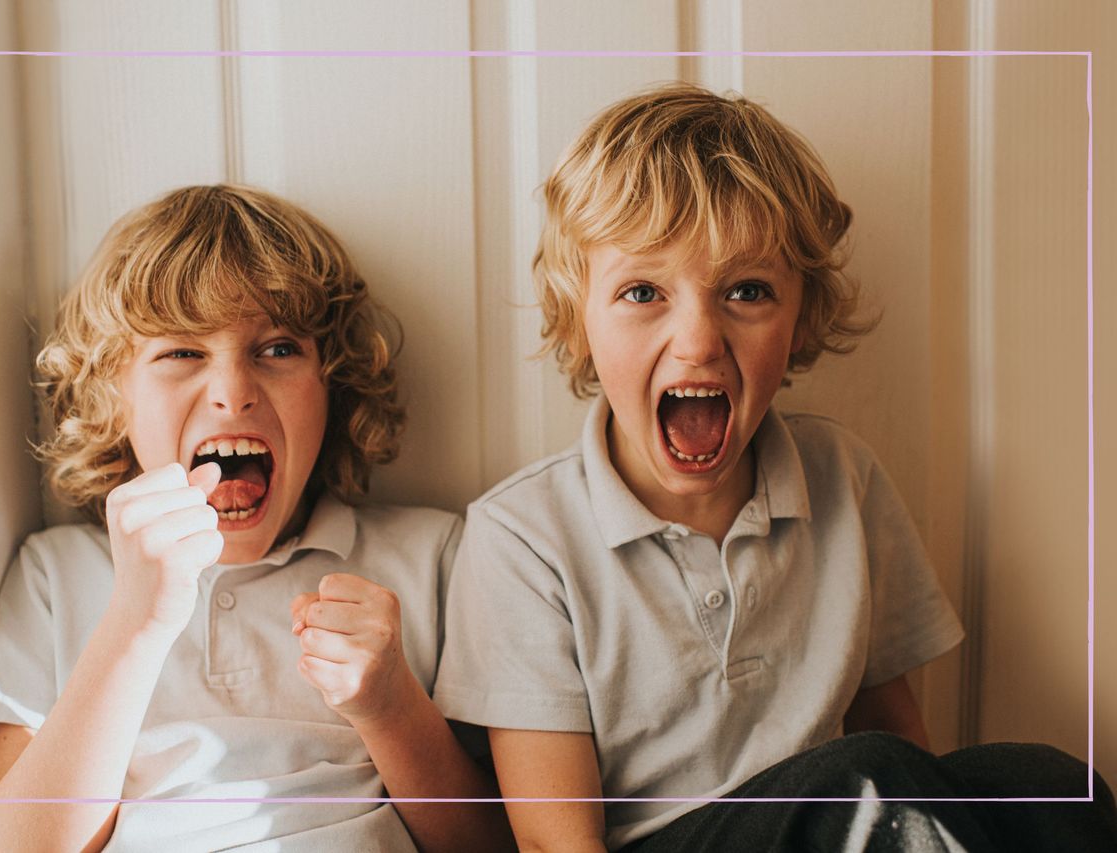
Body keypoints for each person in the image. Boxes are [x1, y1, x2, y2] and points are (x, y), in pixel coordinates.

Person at [432, 83, 1117, 851]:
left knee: (1051, 783)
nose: (697, 340)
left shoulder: (842, 477)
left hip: (852, 810)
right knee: (862, 775)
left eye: (747, 291)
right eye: (643, 291)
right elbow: (556, 842)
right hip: (677, 838)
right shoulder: (522, 536)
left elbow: (903, 741)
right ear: (579, 318)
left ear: (799, 319)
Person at [0, 184, 512, 852]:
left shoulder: (432, 557)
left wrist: (391, 703)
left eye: (278, 348)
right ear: (114, 393)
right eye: (182, 353)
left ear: (331, 382)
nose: (233, 392)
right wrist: (136, 623)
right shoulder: (55, 575)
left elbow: (489, 842)